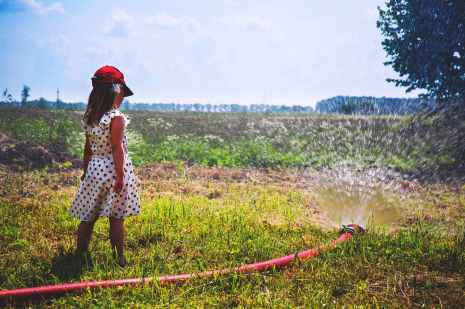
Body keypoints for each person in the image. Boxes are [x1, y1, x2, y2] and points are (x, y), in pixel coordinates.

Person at [69, 65, 141, 267]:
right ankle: (120, 258)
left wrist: (85, 171)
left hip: (94, 169)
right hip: (112, 170)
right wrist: (120, 176)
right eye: (122, 93)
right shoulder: (115, 118)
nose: (123, 97)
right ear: (115, 91)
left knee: (88, 216)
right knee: (116, 217)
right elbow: (117, 149)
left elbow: (87, 148)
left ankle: (80, 252)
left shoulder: (91, 117)